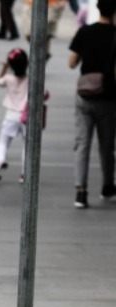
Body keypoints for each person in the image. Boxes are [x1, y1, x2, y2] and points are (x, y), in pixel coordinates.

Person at [68, 0, 116, 209]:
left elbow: (71, 63)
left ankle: (81, 191)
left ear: (97, 8)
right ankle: (107, 186)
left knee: (82, 144)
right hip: (107, 97)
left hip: (85, 95)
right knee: (107, 145)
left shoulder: (85, 32)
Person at [0, 48, 29, 183]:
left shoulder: (8, 78)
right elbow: (44, 93)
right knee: (26, 146)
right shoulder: (30, 80)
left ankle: (0, 161)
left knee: (3, 142)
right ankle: (24, 174)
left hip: (10, 115)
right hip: (26, 116)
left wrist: (4, 67)